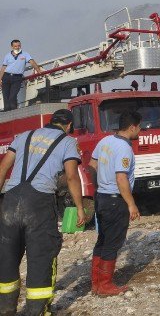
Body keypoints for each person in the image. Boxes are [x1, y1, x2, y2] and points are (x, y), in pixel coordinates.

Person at [0, 108, 87, 316]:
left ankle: (5, 309)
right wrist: (80, 207)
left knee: (7, 257)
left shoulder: (23, 137)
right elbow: (72, 176)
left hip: (10, 201)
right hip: (38, 204)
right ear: (68, 126)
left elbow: (3, 168)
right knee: (41, 257)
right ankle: (36, 311)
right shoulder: (67, 142)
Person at [90, 110, 141, 297]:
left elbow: (92, 165)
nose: (140, 131)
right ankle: (105, 285)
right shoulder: (124, 148)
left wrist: (99, 185)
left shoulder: (104, 141)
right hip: (114, 200)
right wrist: (131, 204)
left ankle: (95, 283)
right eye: (139, 127)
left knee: (102, 241)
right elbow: (121, 178)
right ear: (132, 127)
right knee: (112, 243)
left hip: (102, 197)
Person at [0, 40, 43, 111]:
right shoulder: (7, 55)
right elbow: (3, 68)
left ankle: (14, 114)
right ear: (12, 47)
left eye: (19, 46)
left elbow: (32, 62)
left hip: (17, 78)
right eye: (15, 46)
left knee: (12, 97)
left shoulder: (25, 54)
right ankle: (7, 117)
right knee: (6, 99)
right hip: (6, 77)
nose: (17, 47)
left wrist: (38, 70)